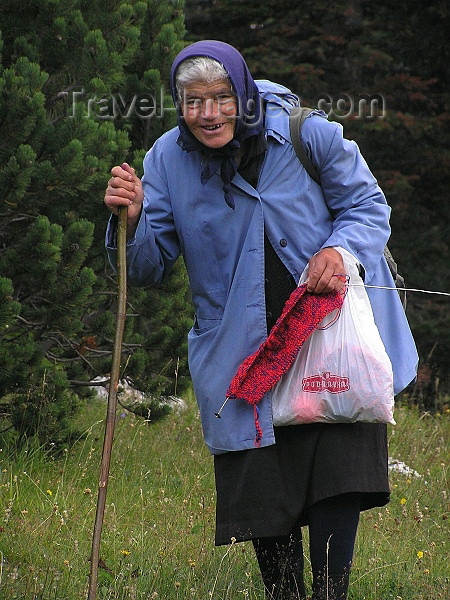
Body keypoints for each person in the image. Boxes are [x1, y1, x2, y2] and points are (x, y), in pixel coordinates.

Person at [104, 40, 418, 600]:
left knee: (337, 476)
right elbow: (148, 267)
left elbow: (368, 207)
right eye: (193, 101)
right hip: (242, 350)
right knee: (264, 489)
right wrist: (130, 221)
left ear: (242, 95)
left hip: (330, 337)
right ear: (178, 104)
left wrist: (339, 252)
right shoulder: (166, 162)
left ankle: (330, 593)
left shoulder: (302, 132)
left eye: (221, 98)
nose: (208, 114)